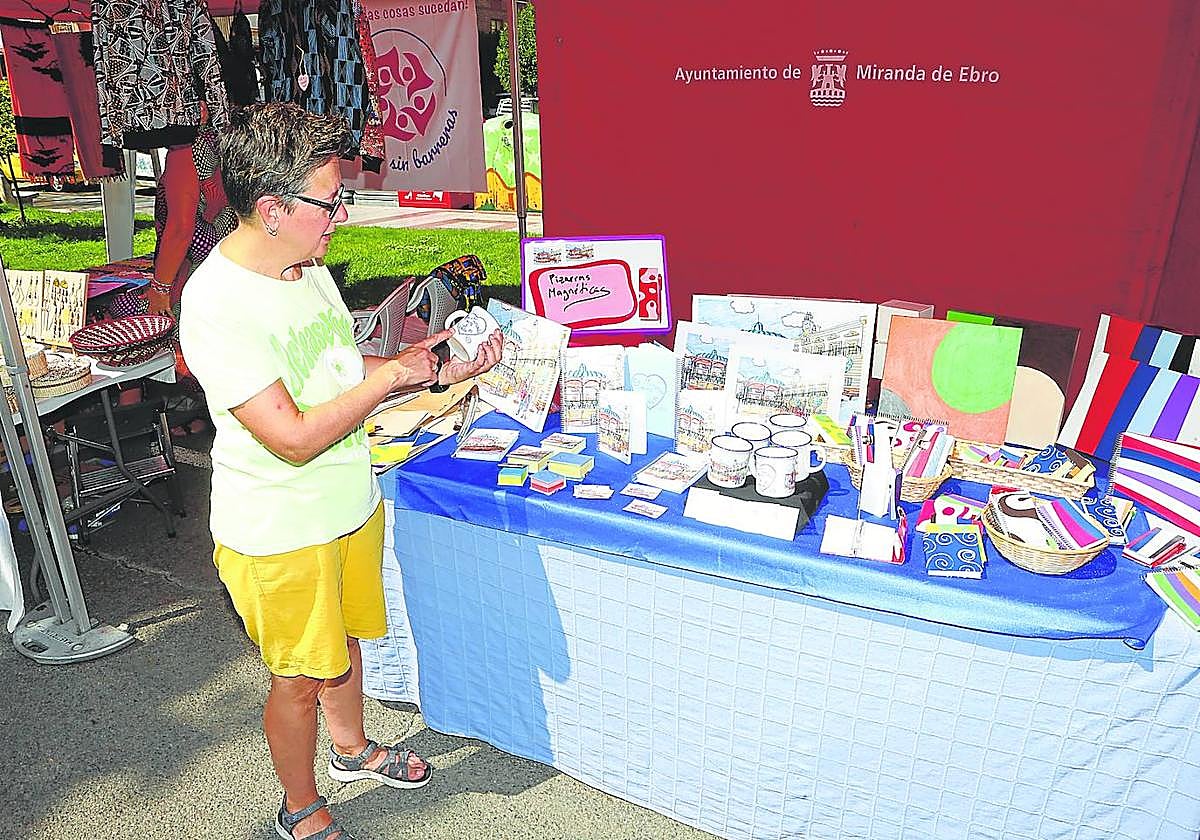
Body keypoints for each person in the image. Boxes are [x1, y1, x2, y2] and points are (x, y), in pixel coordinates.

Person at [179, 102, 503, 840]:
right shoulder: (217, 303)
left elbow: (334, 362)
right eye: (331, 202)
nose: (343, 217)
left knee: (345, 644)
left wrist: (422, 367)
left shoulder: (306, 264)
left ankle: (352, 749)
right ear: (271, 208)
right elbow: (290, 437)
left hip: (347, 503)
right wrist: (385, 385)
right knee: (296, 679)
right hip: (279, 530)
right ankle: (298, 805)